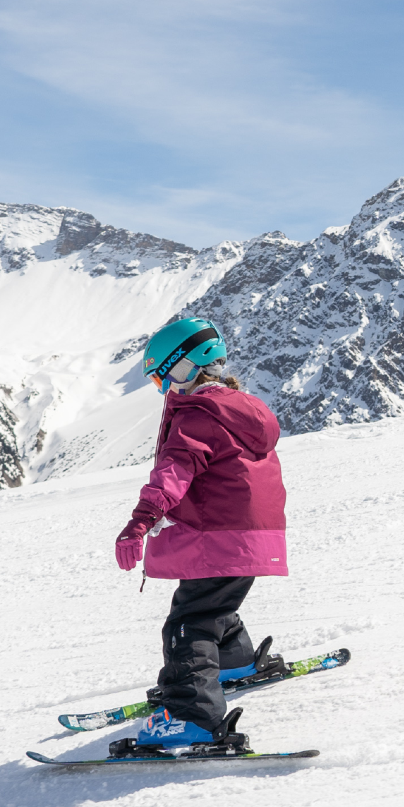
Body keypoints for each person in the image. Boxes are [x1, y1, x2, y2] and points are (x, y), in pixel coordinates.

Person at [114, 318, 288, 753]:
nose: (163, 389)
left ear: (188, 367)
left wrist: (139, 522)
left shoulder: (197, 417)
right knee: (213, 604)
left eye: (163, 377)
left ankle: (192, 716)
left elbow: (171, 475)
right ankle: (233, 661)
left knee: (188, 624)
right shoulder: (241, 407)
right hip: (251, 537)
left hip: (218, 536)